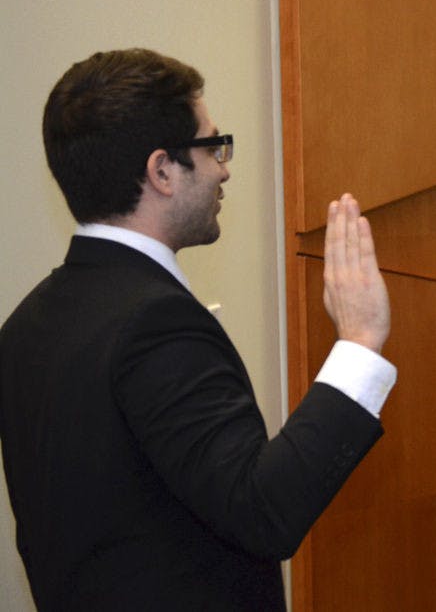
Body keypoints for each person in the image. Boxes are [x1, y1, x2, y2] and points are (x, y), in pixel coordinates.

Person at [0, 48, 395, 611]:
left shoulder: (25, 325)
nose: (225, 167)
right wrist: (359, 341)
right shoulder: (154, 323)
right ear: (162, 171)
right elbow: (263, 511)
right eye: (213, 146)